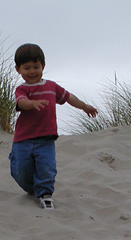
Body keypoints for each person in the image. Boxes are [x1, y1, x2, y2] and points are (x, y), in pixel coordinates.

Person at [9, 43, 98, 209]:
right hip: (23, 140)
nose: (32, 71)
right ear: (18, 69)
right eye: (26, 68)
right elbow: (21, 102)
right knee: (20, 171)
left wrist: (84, 106)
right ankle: (32, 189)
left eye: (36, 67)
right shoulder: (21, 89)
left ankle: (45, 194)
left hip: (46, 139)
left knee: (47, 168)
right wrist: (31, 103)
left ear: (43, 66)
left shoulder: (51, 86)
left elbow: (69, 97)